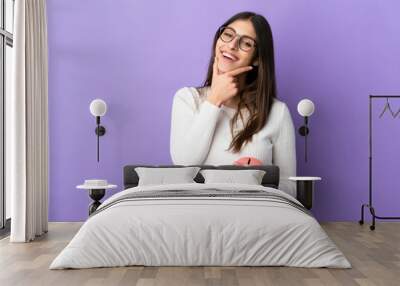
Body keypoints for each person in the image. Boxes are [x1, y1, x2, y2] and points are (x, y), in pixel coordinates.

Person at [169, 11, 296, 196]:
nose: (231, 46)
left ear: (257, 59)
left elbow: (291, 189)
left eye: (245, 43)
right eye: (228, 35)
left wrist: (259, 178)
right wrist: (214, 100)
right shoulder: (187, 99)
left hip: (254, 217)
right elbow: (183, 166)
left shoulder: (277, 112)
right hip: (198, 215)